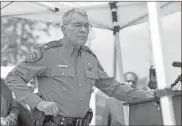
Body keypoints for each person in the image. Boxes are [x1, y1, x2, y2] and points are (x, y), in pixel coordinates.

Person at [5, 8, 153, 126]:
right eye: (77, 25)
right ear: (63, 29)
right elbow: (13, 78)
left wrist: (147, 96)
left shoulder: (90, 58)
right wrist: (39, 103)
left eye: (86, 25)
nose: (83, 29)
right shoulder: (47, 53)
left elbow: (113, 88)